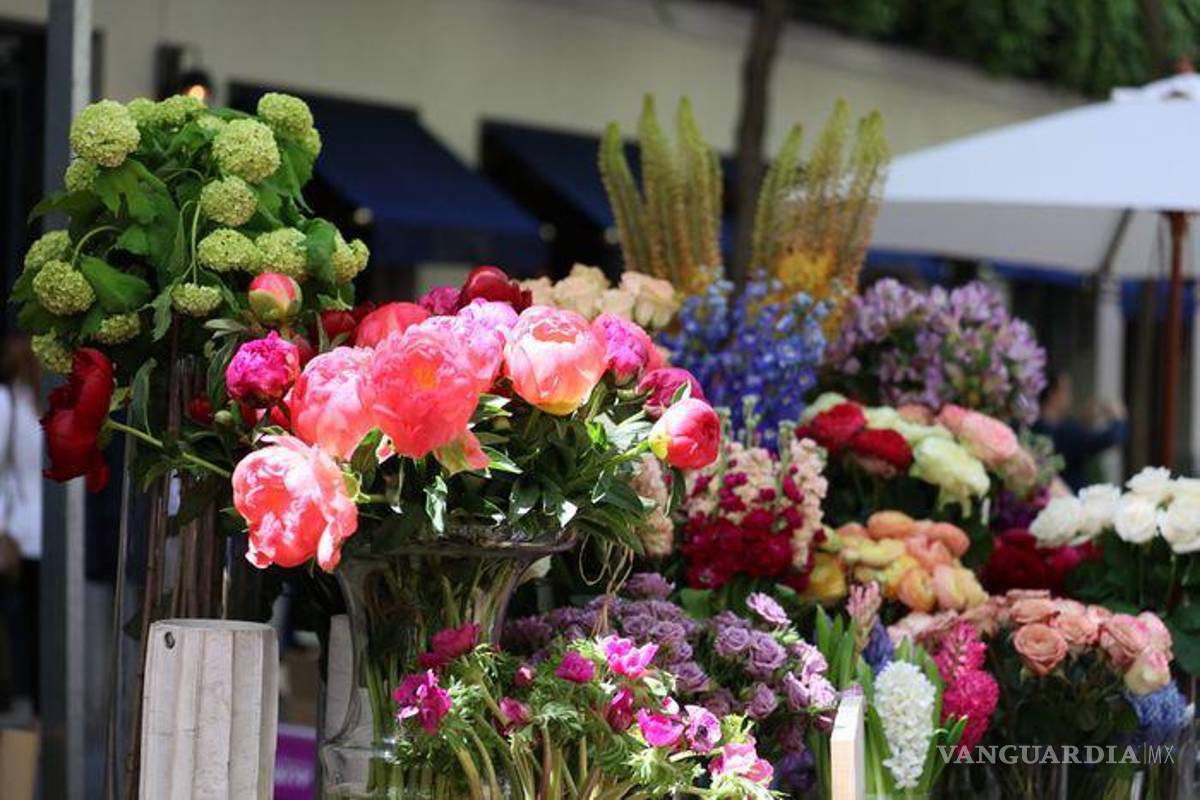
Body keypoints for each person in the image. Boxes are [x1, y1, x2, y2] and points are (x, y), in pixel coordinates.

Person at [0, 334, 43, 718]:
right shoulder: (7, 402)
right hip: (21, 536)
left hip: (53, 542)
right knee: (25, 629)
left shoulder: (45, 400)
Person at [1033, 369, 1127, 491]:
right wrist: (1119, 417)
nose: (1070, 396)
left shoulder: (1035, 425)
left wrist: (1084, 422)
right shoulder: (1065, 432)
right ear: (1053, 394)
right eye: (1066, 391)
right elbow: (1110, 438)